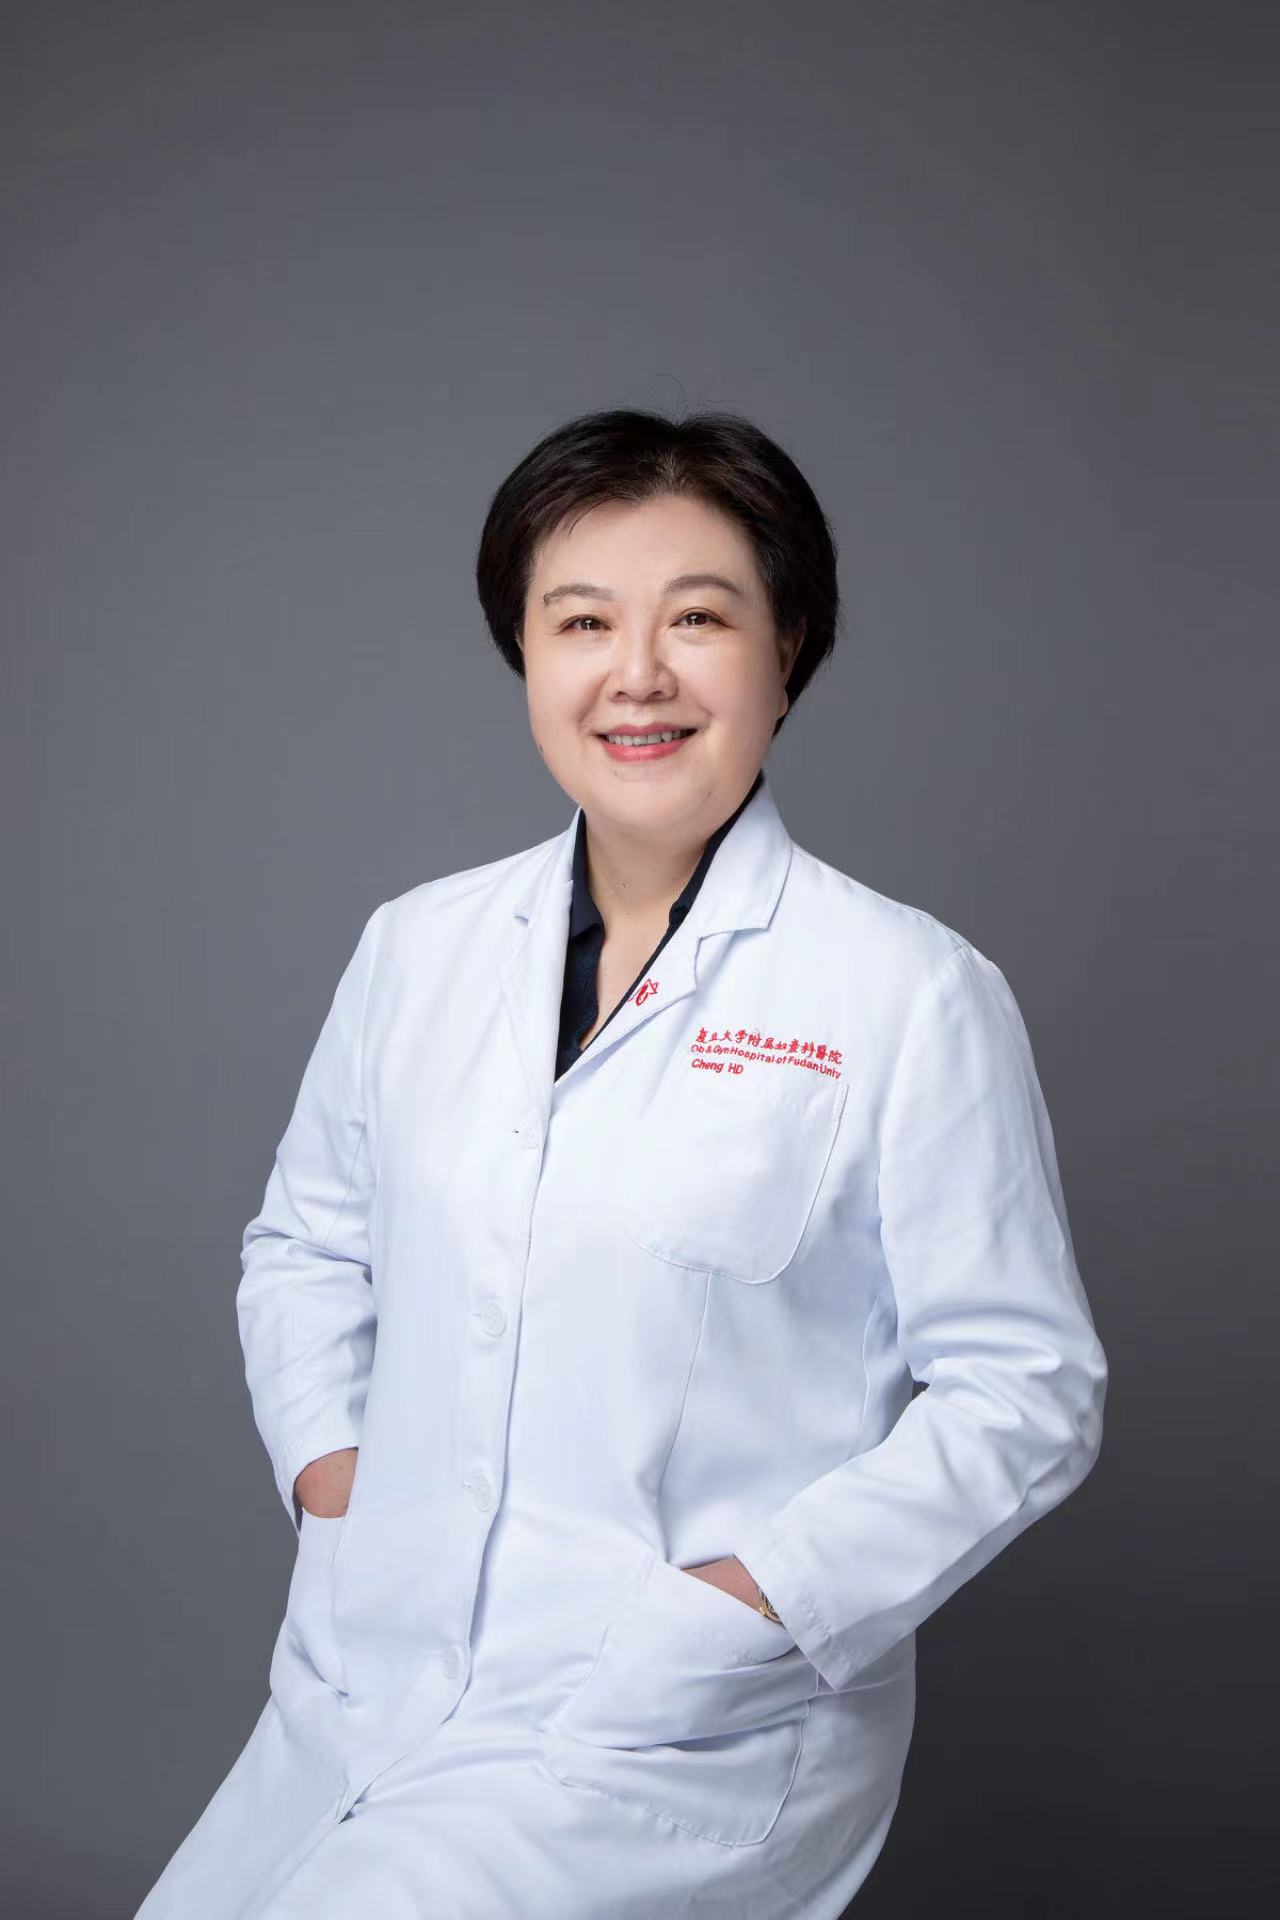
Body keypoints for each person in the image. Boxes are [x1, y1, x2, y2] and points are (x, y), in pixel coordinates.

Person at [136, 407, 1108, 1919]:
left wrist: (763, 1602)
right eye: (581, 620)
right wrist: (340, 1488)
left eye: (699, 619)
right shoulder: (419, 947)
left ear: (789, 647)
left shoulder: (906, 992)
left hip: (675, 1726)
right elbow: (307, 1248)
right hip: (368, 1674)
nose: (636, 673)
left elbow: (1025, 1388)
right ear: (525, 652)